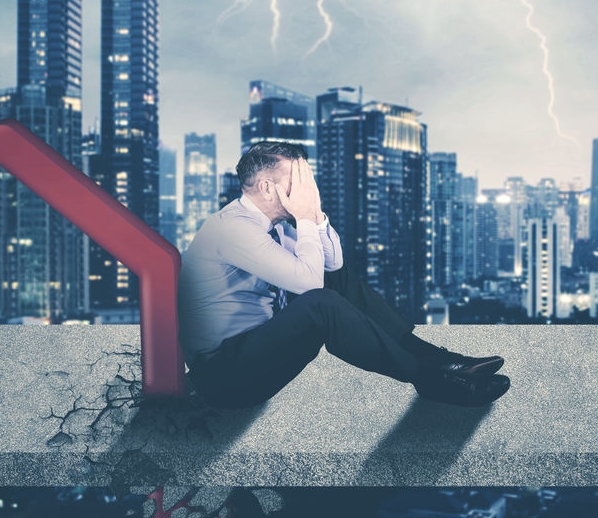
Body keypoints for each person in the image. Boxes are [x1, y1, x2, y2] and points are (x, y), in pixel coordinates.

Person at [178, 141, 510, 408]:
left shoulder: (277, 226)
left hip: (257, 354)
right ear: (267, 188)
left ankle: (445, 363)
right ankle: (434, 380)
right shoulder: (232, 228)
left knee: (337, 281)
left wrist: (315, 216)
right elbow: (309, 287)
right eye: (299, 183)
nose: (306, 191)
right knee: (320, 302)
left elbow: (333, 265)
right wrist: (305, 216)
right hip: (225, 376)